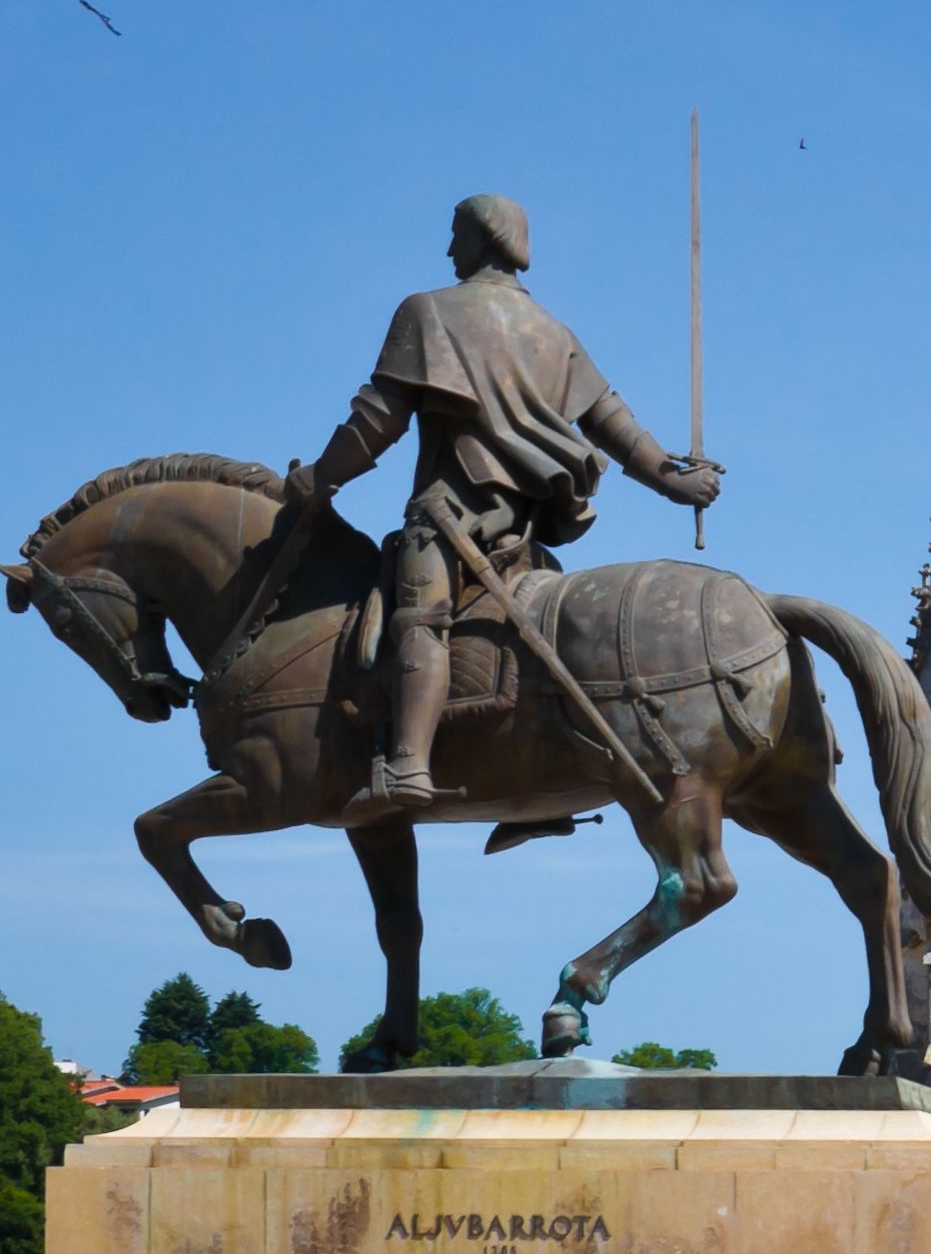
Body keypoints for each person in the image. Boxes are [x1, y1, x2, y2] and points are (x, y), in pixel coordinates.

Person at [292, 193, 722, 809]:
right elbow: (612, 422)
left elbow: (377, 420)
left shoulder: (427, 313)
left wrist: (320, 478)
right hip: (524, 538)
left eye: (455, 235)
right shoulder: (552, 332)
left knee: (421, 621)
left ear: (484, 238)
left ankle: (409, 763)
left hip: (449, 523)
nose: (448, 250)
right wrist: (670, 480)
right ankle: (537, 797)